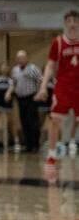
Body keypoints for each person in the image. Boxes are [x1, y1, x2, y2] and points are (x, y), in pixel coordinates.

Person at [36, 10, 79, 156]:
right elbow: (50, 65)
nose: (72, 24)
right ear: (65, 23)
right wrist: (43, 87)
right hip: (64, 86)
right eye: (69, 21)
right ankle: (52, 156)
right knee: (54, 120)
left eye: (75, 20)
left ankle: (72, 142)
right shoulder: (58, 42)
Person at [9, 50, 42, 152]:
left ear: (27, 58)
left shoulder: (33, 68)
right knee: (24, 122)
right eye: (18, 58)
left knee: (33, 121)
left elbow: (41, 80)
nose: (20, 60)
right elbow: (13, 83)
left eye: (22, 58)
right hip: (20, 98)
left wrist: (39, 93)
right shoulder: (15, 69)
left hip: (31, 98)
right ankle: (28, 145)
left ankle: (35, 145)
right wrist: (8, 93)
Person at [0, 62, 18, 150]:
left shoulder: (11, 80)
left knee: (11, 123)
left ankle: (16, 141)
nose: (4, 69)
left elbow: (13, 90)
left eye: (6, 67)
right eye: (2, 67)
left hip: (8, 104)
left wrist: (9, 94)